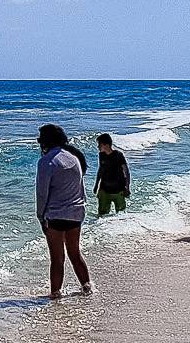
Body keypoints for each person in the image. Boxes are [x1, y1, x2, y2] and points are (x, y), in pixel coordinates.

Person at [35, 123, 92, 297]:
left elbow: (42, 194)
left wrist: (40, 216)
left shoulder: (47, 162)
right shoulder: (74, 158)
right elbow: (80, 188)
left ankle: (55, 294)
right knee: (75, 253)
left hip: (56, 215)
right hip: (76, 213)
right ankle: (87, 287)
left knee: (57, 259)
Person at [94, 133, 131, 215]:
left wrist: (127, 187)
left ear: (106, 145)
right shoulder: (101, 155)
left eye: (99, 144)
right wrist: (96, 185)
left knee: (121, 215)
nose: (98, 147)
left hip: (119, 190)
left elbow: (126, 171)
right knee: (101, 215)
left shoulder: (118, 155)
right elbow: (100, 170)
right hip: (104, 189)